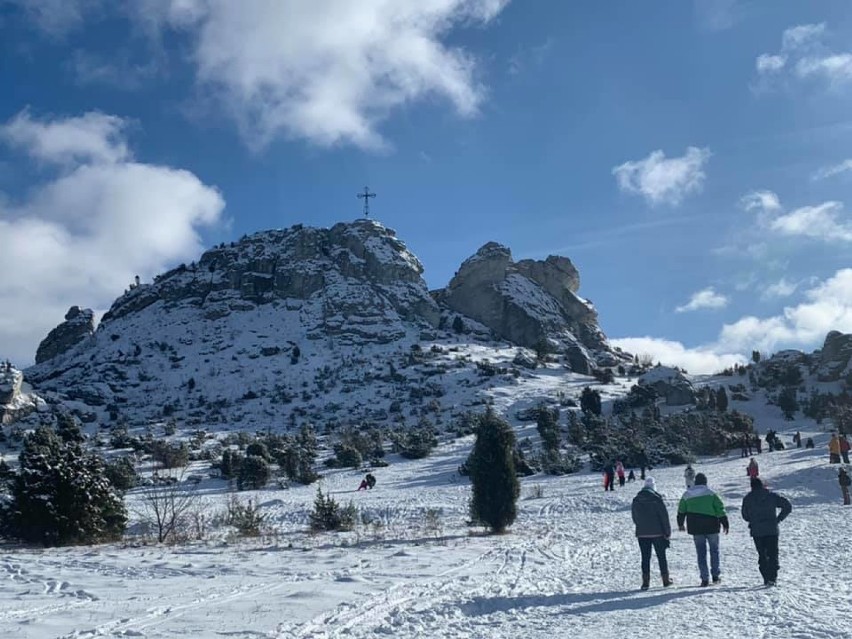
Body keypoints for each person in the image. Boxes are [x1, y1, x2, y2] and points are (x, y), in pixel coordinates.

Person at [677, 472, 729, 586]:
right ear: (705, 482)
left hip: (696, 528)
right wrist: (725, 523)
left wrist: (680, 524)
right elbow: (720, 509)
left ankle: (704, 578)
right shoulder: (711, 494)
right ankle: (715, 576)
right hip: (712, 526)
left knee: (701, 553)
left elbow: (681, 511)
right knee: (714, 551)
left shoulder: (687, 494)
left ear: (695, 482)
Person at [741, 477, 792, 586]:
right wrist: (778, 519)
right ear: (762, 485)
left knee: (762, 554)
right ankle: (772, 577)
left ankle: (765, 576)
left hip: (757, 531)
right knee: (773, 553)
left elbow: (745, 515)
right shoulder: (771, 496)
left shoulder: (748, 498)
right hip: (771, 529)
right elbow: (787, 506)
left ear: (751, 487)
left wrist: (753, 519)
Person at [631, 477, 673, 590]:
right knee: (661, 556)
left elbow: (635, 517)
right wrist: (667, 532)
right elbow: (664, 517)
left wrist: (640, 526)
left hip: (642, 533)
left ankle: (645, 582)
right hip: (658, 533)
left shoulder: (636, 500)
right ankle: (665, 580)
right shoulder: (657, 499)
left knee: (645, 557)